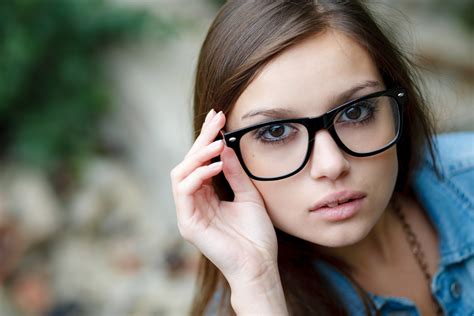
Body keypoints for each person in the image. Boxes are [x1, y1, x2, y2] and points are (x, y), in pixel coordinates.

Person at [170, 1, 474, 315]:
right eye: (275, 132)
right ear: (221, 153)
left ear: (397, 105)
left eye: (355, 112)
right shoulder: (247, 302)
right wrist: (259, 287)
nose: (331, 165)